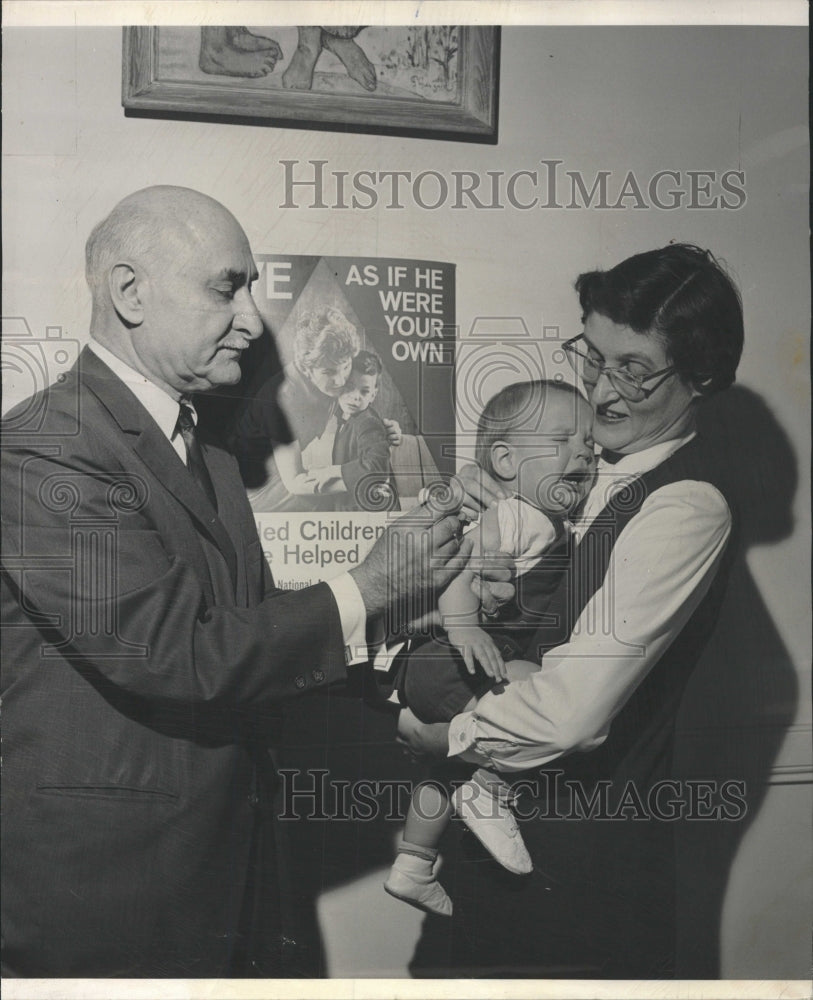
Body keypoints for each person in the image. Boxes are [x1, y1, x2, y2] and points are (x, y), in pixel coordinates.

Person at [0, 185, 476, 978]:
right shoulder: (45, 449)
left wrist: (412, 668)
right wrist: (370, 586)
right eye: (228, 286)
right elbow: (175, 654)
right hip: (107, 894)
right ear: (129, 292)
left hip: (221, 870)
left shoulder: (205, 447)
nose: (255, 321)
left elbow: (248, 630)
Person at [401, 243, 744, 978]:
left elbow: (570, 718)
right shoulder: (566, 474)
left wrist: (432, 728)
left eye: (634, 369)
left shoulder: (685, 506)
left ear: (702, 376)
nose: (602, 391)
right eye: (593, 356)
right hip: (482, 869)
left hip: (578, 892)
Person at [384, 380, 595, 916]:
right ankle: (490, 786)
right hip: (452, 657)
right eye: (563, 439)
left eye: (589, 441)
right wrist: (465, 628)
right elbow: (458, 564)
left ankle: (413, 862)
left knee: (442, 770)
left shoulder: (546, 516)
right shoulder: (519, 515)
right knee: (549, 696)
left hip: (438, 668)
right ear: (505, 459)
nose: (585, 450)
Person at [234, 307, 400, 512]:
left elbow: (353, 413)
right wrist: (359, 481)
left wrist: (385, 428)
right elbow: (294, 482)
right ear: (306, 368)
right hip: (255, 490)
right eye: (329, 372)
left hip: (291, 475)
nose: (341, 380)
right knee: (334, 505)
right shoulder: (280, 399)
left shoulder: (331, 380)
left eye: (346, 366)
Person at [301, 349, 400, 511]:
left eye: (364, 391)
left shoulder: (368, 422)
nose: (355, 397)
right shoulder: (341, 414)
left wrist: (334, 471)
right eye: (349, 387)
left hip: (370, 510)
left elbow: (377, 468)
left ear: (373, 395)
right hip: (352, 504)